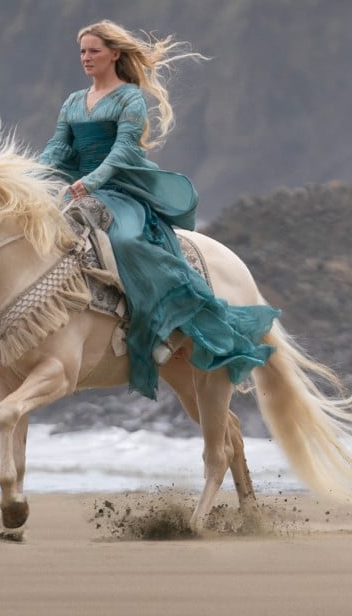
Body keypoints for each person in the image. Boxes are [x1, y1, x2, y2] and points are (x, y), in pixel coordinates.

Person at [38, 20, 279, 398]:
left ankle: (162, 326)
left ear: (114, 54)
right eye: (82, 51)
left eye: (94, 51)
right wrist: (30, 177)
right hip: (77, 190)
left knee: (129, 241)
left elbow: (123, 152)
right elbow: (57, 147)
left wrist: (93, 182)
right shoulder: (73, 101)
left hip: (121, 189)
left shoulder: (129, 98)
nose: (86, 58)